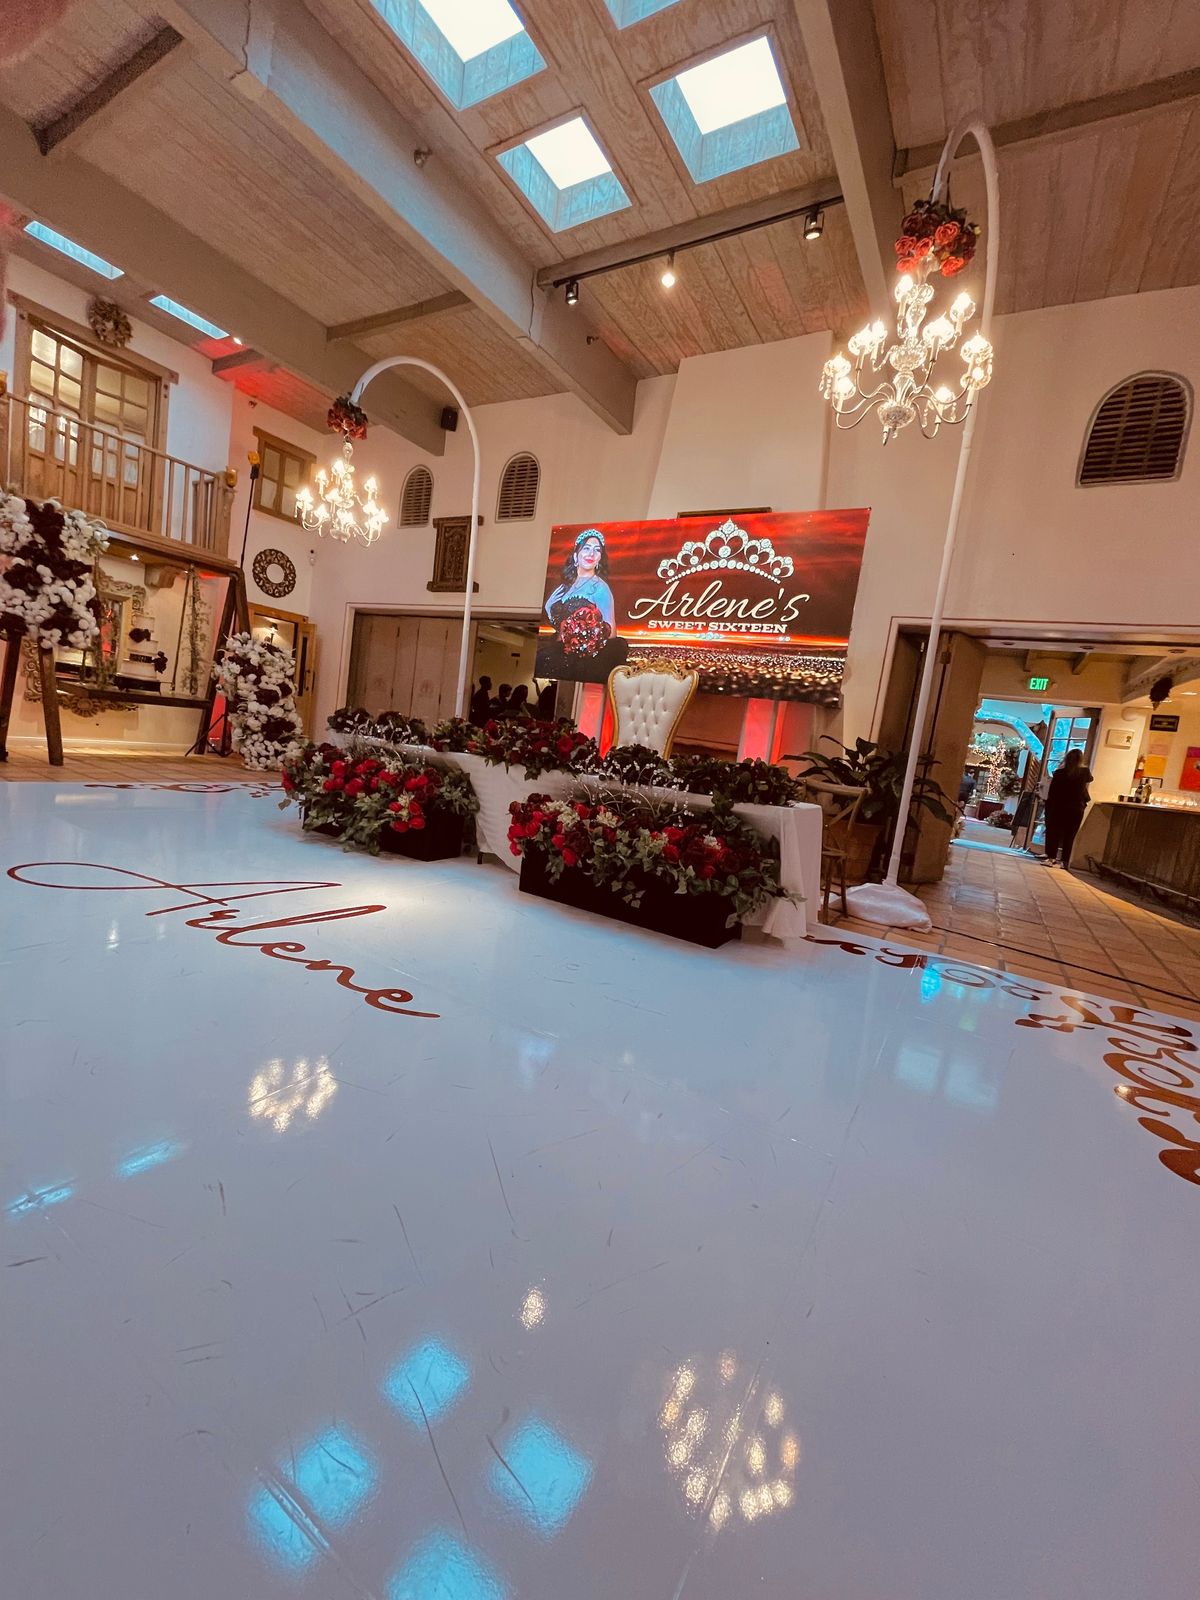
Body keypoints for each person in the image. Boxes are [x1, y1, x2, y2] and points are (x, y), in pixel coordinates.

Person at [1041, 747, 1093, 869]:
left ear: (1066, 759)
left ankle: (1051, 858)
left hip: (1059, 808)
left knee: (1055, 833)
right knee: (1070, 835)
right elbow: (1090, 779)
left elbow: (1053, 793)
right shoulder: (1084, 773)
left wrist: (1048, 807)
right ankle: (1064, 862)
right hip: (1076, 808)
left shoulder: (1059, 774)